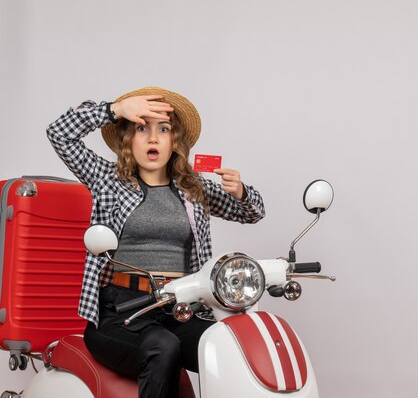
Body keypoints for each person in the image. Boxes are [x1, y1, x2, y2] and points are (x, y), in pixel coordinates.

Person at [46, 86, 265, 398]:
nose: (152, 138)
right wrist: (115, 109)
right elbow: (59, 134)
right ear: (127, 139)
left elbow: (252, 213)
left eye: (163, 129)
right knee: (163, 347)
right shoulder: (108, 180)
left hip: (181, 309)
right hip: (120, 312)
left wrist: (241, 191)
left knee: (229, 347)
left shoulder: (194, 188)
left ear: (174, 142)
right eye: (141, 128)